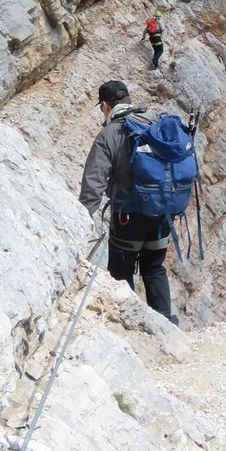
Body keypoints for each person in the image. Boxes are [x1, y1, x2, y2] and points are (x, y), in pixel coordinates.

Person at [79, 80, 178, 325]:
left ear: (105, 105)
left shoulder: (109, 134)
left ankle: (133, 327)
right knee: (153, 268)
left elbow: (94, 182)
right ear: (130, 101)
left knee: (121, 275)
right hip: (161, 216)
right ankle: (167, 324)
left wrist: (81, 220)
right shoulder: (155, 124)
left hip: (128, 218)